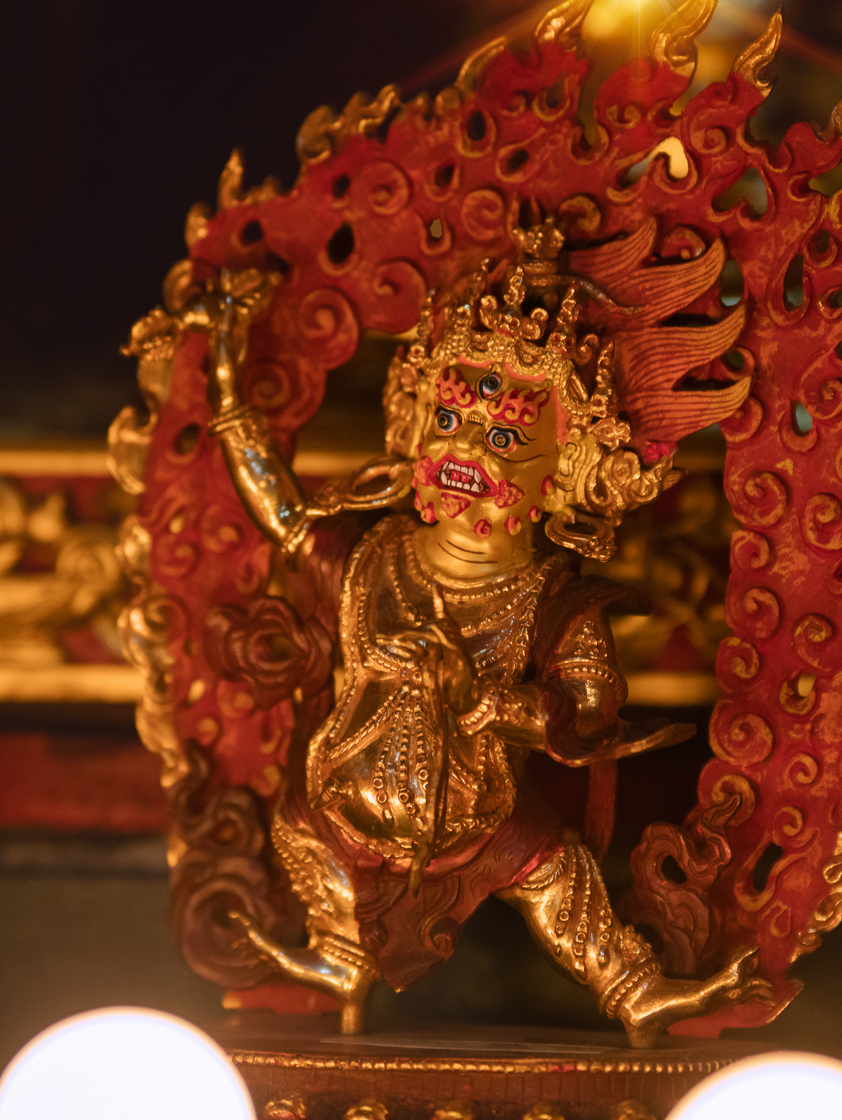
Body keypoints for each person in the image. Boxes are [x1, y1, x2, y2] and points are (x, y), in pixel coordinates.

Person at [195, 218, 771, 1046]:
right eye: (452, 421)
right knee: (295, 829)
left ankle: (633, 987)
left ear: (567, 469)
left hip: (482, 812)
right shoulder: (370, 558)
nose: (467, 448)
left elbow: (587, 713)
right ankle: (338, 952)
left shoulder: (553, 601)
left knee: (559, 876)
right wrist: (226, 386)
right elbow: (281, 513)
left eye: (503, 436)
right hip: (344, 790)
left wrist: (489, 701)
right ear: (416, 429)